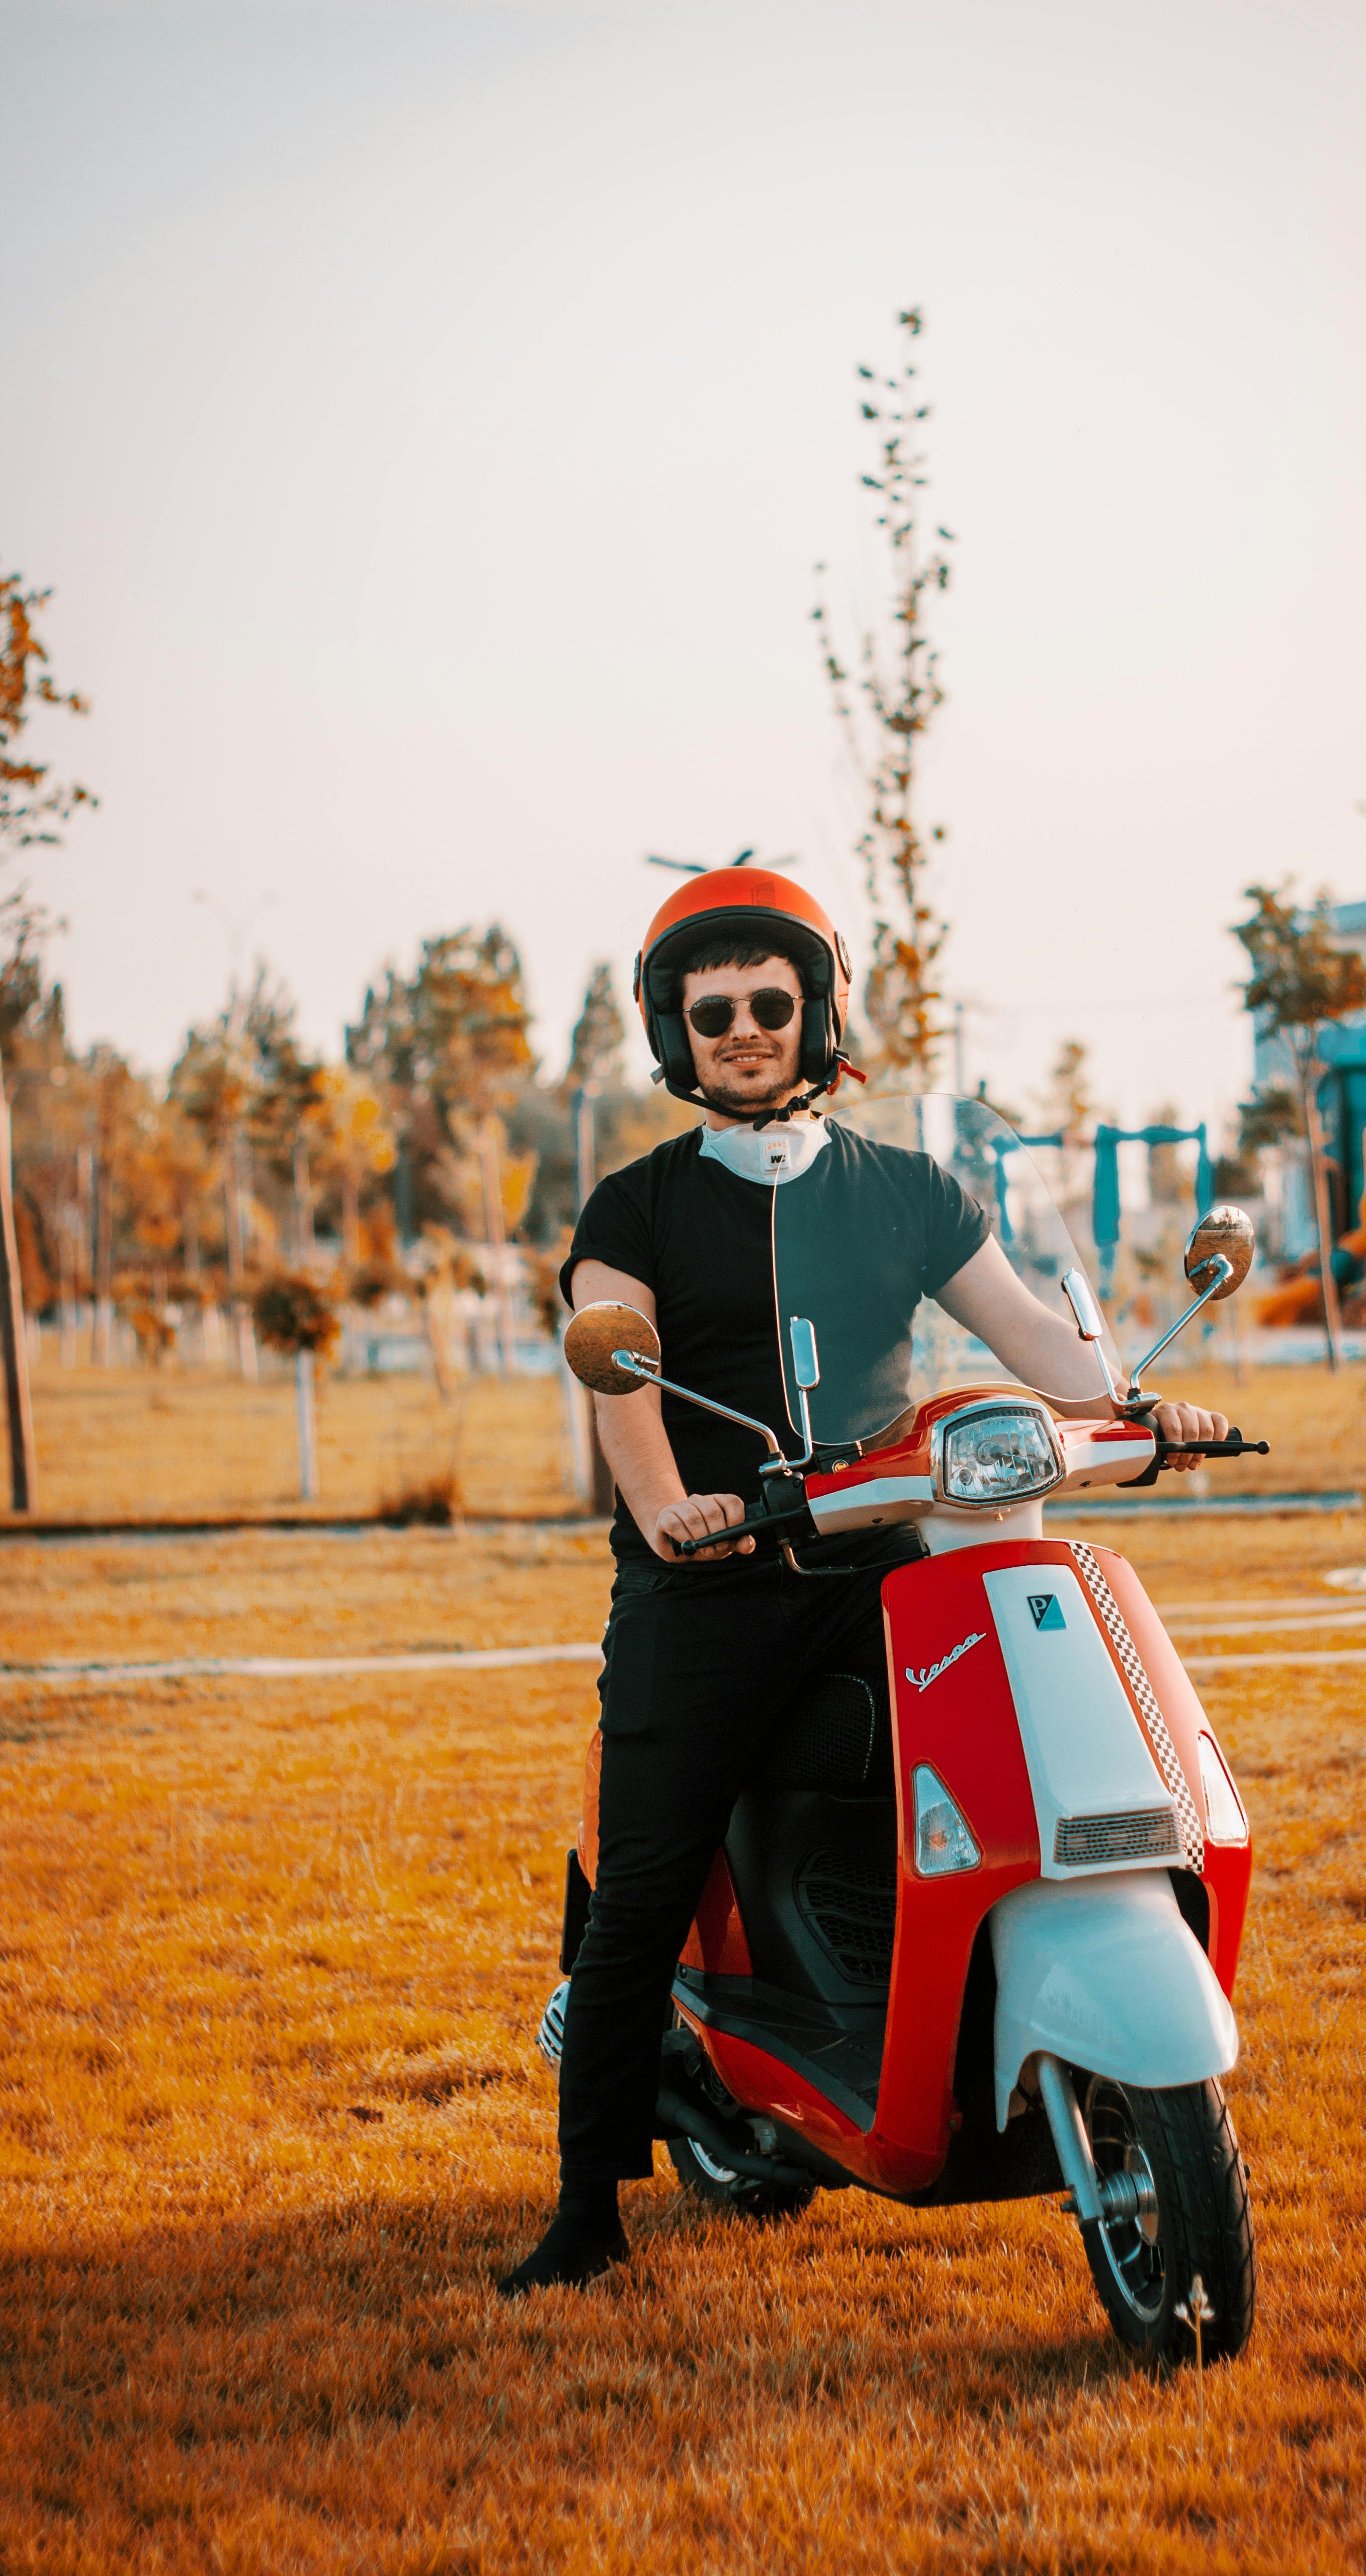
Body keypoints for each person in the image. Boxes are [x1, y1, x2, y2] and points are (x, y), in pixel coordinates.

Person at [498, 868, 1228, 2295]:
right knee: (643, 1880)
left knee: (1000, 1773)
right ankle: (588, 2209)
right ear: (675, 1034)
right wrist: (666, 1512)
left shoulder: (907, 1189)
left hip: (878, 1563)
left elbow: (1031, 1334)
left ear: (818, 1011)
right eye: (712, 1014)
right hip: (710, 1579)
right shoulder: (634, 1206)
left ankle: (916, 2028)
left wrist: (1144, 1411)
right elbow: (617, 1366)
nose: (746, 1031)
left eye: (772, 1003)